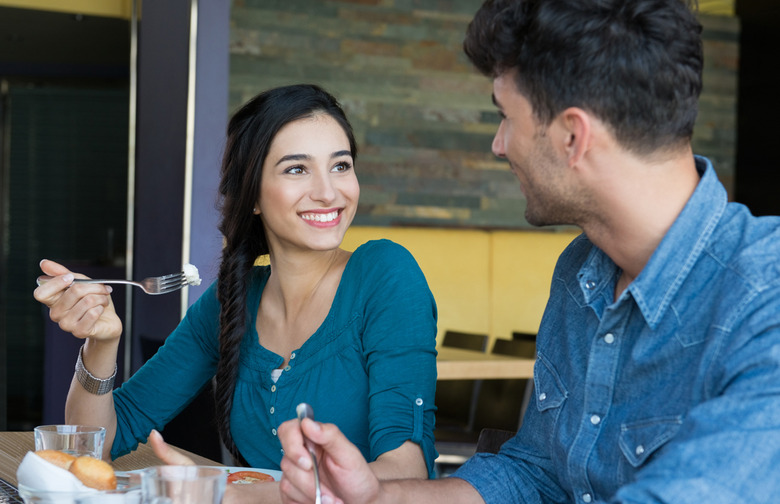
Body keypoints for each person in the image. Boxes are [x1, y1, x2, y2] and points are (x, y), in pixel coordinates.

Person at [276, 1, 780, 503]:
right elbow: (535, 475)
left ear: (573, 136)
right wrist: (377, 497)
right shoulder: (581, 271)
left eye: (504, 116)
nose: (499, 144)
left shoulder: (765, 297)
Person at [34, 84, 438, 502]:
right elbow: (91, 447)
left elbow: (404, 473)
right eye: (297, 169)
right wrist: (102, 343)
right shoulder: (231, 302)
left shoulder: (386, 276)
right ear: (254, 196)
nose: (328, 191)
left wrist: (224, 494)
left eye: (341, 166)